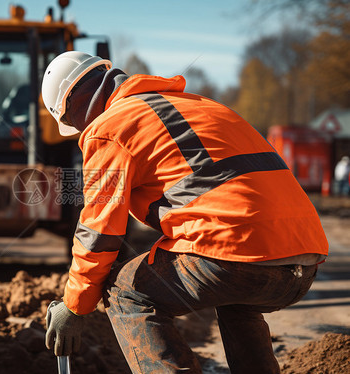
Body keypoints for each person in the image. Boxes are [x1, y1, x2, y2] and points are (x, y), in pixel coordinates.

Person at [42, 51, 329, 374]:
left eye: (68, 123)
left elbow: (99, 233)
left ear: (74, 103)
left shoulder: (109, 127)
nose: (77, 132)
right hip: (305, 259)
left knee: (124, 292)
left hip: (236, 255)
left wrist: (75, 306)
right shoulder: (203, 105)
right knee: (237, 304)